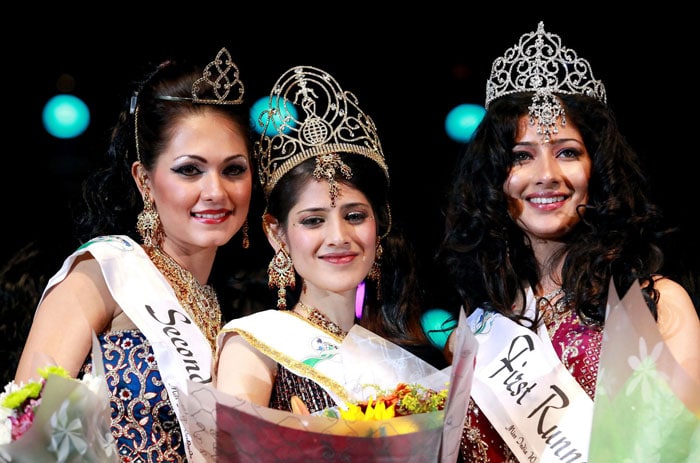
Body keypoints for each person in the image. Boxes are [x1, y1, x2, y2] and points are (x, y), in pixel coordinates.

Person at [437, 22, 700, 462]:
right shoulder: (476, 330)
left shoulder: (657, 306)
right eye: (522, 156)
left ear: (597, 171)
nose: (547, 175)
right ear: (495, 179)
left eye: (567, 152)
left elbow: (679, 453)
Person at [13, 47, 253, 462]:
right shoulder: (106, 274)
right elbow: (27, 433)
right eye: (189, 170)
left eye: (233, 169)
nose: (216, 191)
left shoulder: (225, 313)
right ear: (145, 180)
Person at [214, 65, 445, 414]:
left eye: (355, 216)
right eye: (313, 221)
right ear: (277, 234)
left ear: (380, 224)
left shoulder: (400, 361)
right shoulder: (255, 345)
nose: (338, 237)